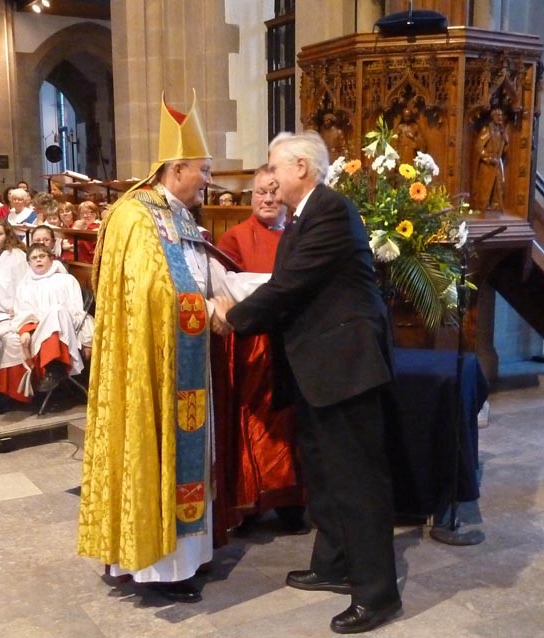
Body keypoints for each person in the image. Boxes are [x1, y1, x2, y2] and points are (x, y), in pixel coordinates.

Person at [212, 130, 401, 634]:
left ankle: (377, 594)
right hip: (318, 365)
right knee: (323, 471)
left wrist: (234, 318)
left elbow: (290, 285)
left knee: (358, 481)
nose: (269, 179)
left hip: (346, 365)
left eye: (274, 167)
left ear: (301, 167)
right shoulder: (306, 215)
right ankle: (333, 565)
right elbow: (290, 284)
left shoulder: (332, 211)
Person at [79, 92, 226, 604]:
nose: (209, 179)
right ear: (178, 167)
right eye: (204, 170)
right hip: (149, 364)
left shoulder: (180, 213)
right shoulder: (136, 215)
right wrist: (206, 309)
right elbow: (149, 290)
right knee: (152, 445)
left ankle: (185, 559)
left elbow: (196, 271)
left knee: (184, 453)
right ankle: (159, 568)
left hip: (182, 360)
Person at [214, 166, 306, 538]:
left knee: (292, 426)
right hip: (252, 345)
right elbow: (223, 291)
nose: (267, 199)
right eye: (259, 193)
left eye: (273, 192)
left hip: (292, 341)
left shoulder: (299, 237)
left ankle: (289, 501)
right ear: (249, 198)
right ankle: (250, 502)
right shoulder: (234, 238)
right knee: (253, 423)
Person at [0, 243, 92, 413]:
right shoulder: (25, 284)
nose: (38, 260)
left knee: (57, 311)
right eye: (34, 258)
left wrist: (86, 339)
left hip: (65, 329)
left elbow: (77, 311)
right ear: (29, 263)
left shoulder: (66, 280)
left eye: (42, 256)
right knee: (11, 340)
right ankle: (6, 396)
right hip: (34, 328)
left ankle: (55, 366)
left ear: (50, 258)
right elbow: (23, 311)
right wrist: (26, 330)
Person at [473, 107, 508, 211]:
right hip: (487, 165)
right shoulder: (487, 130)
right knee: (485, 189)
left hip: (497, 164)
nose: (500, 118)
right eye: (498, 115)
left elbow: (503, 151)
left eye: (501, 115)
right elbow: (479, 148)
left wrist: (506, 142)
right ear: (493, 117)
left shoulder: (501, 132)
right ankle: (482, 208)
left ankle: (495, 208)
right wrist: (488, 158)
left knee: (499, 188)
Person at [393, 100, 425, 166]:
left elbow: (422, 142)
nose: (407, 118)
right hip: (402, 152)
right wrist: (396, 153)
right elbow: (395, 140)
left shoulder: (415, 127)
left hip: (411, 153)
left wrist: (414, 139)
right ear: (403, 116)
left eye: (409, 116)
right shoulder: (400, 127)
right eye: (405, 116)